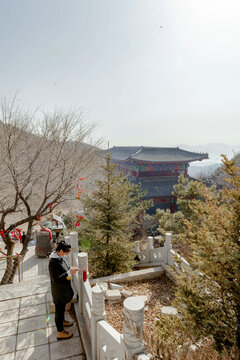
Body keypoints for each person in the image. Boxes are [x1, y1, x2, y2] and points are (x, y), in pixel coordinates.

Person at [49, 240, 79, 340]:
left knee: (61, 310)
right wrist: (69, 273)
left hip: (62, 290)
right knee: (59, 310)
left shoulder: (59, 258)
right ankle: (60, 332)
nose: (67, 255)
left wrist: (70, 269)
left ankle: (62, 322)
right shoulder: (53, 263)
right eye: (66, 253)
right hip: (58, 291)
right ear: (61, 251)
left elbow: (64, 269)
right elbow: (57, 279)